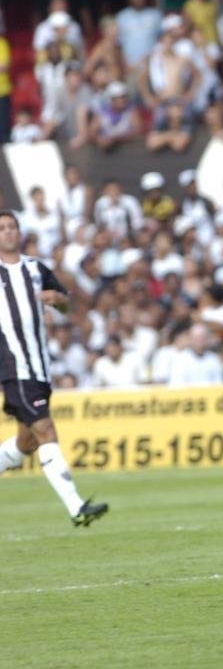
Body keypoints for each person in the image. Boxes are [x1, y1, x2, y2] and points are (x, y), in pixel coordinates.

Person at [0, 211, 108, 526]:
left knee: (27, 442)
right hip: (14, 366)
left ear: (19, 232)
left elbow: (68, 304)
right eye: (2, 228)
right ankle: (76, 508)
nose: (7, 232)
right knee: (46, 430)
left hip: (40, 368)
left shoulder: (36, 269)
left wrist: (57, 299)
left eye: (12, 227)